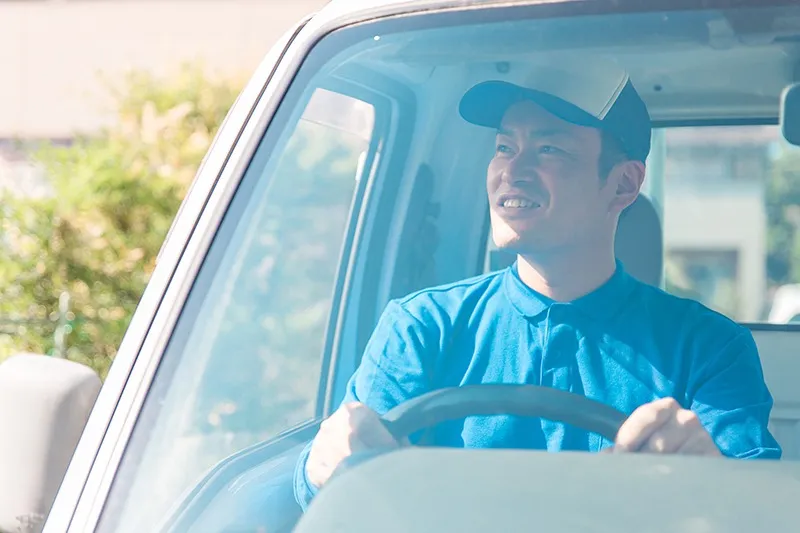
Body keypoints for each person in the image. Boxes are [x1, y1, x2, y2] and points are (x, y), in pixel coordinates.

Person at [293, 64, 782, 510]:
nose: (512, 170)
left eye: (549, 149)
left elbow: (759, 509)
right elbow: (336, 488)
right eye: (505, 147)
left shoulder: (709, 347)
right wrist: (322, 465)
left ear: (623, 185)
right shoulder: (422, 326)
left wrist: (716, 477)